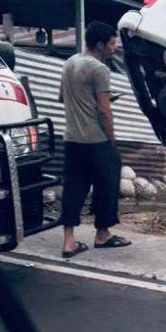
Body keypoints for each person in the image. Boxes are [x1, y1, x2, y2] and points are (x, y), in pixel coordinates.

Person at [58, 21, 131, 258]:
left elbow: (63, 98)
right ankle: (102, 234)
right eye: (112, 43)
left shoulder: (70, 63)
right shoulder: (100, 69)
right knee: (107, 185)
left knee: (73, 187)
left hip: (72, 139)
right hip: (96, 139)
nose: (114, 48)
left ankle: (69, 241)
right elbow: (103, 110)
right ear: (100, 45)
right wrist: (112, 138)